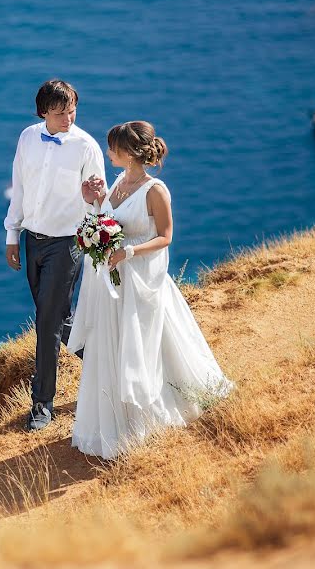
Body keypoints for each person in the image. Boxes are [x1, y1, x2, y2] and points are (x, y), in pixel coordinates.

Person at [68, 121, 233, 459]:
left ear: (127, 153)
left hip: (141, 277)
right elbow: (108, 219)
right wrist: (96, 201)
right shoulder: (118, 182)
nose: (108, 152)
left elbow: (166, 236)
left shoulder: (155, 189)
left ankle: (153, 411)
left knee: (146, 342)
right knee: (117, 344)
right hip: (115, 280)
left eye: (112, 147)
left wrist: (128, 252)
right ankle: (119, 414)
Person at [4, 79, 107, 430]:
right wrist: (12, 233)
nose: (68, 118)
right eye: (61, 112)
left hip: (67, 244)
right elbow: (19, 186)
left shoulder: (86, 146)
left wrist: (91, 202)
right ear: (43, 111)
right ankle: (105, 365)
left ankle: (42, 403)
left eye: (72, 110)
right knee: (58, 318)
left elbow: (98, 203)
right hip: (33, 239)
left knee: (46, 322)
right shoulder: (27, 137)